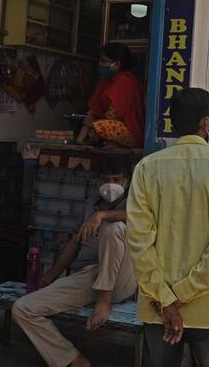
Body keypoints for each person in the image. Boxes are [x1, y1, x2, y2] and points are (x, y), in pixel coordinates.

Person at [126, 88, 209, 367]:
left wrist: (167, 299)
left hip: (159, 307)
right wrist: (183, 295)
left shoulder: (147, 169)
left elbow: (138, 241)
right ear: (206, 123)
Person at [12, 156, 136, 367]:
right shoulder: (90, 204)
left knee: (113, 228)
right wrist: (48, 277)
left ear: (126, 180)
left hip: (121, 278)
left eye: (117, 179)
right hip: (87, 277)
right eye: (106, 179)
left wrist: (103, 215)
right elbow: (74, 243)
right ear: (98, 181)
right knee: (23, 308)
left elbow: (142, 217)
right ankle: (73, 360)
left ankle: (103, 299)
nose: (111, 185)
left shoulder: (134, 202)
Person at [77, 43, 144, 148]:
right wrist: (79, 140)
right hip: (109, 126)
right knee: (94, 128)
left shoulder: (125, 80)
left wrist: (93, 124)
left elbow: (113, 115)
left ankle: (114, 145)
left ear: (116, 64)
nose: (100, 64)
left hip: (130, 132)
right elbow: (94, 110)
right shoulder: (105, 80)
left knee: (100, 127)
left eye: (104, 61)